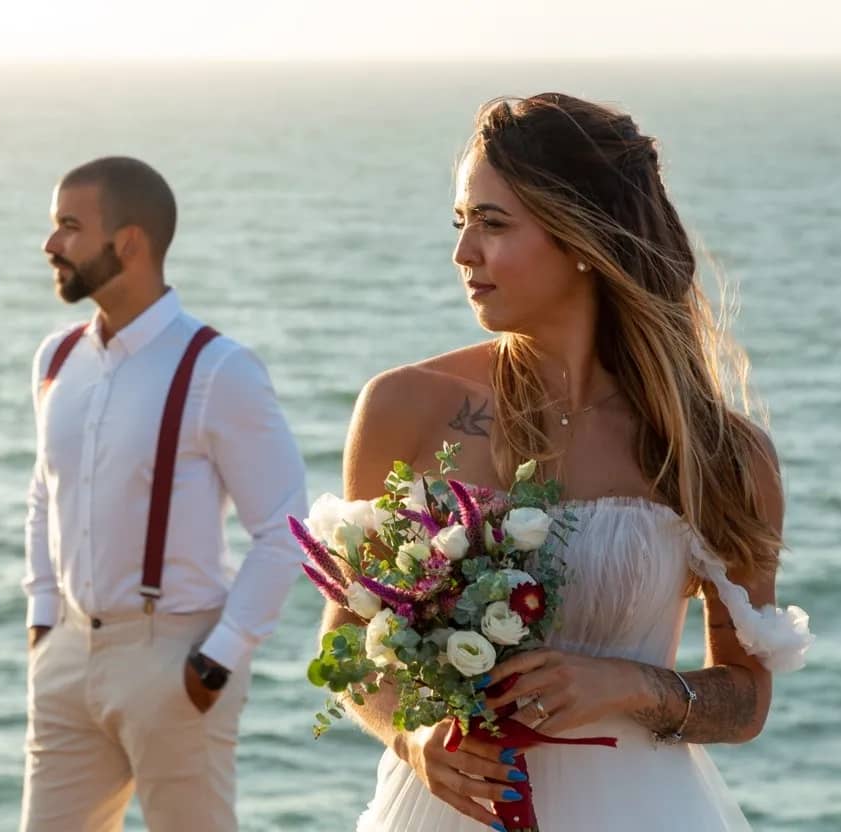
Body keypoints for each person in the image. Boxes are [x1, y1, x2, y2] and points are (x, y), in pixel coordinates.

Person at [326, 94, 813, 831]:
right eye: (462, 223)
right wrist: (413, 736)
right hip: (451, 810)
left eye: (493, 224)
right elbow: (345, 647)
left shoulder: (718, 453)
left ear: (582, 237)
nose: (464, 253)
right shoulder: (407, 407)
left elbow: (746, 700)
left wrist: (627, 684)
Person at [19, 156, 309, 832]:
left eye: (69, 227)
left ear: (129, 243)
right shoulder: (57, 360)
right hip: (67, 655)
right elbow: (45, 491)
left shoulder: (217, 369)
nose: (51, 245)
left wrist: (221, 657)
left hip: (174, 660)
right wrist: (40, 618)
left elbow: (285, 526)